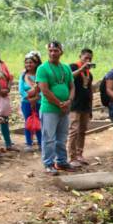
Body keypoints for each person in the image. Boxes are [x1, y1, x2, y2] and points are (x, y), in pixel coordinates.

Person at [36, 41, 75, 175]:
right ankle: (48, 163)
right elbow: (45, 90)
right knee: (49, 138)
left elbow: (72, 86)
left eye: (56, 50)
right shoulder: (42, 68)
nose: (53, 53)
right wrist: (60, 104)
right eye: (51, 50)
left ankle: (62, 161)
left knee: (62, 137)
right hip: (49, 109)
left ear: (61, 52)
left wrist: (69, 100)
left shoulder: (66, 68)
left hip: (65, 108)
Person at [68, 48, 94, 167]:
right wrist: (81, 69)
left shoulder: (90, 74)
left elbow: (90, 91)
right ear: (80, 56)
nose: (87, 60)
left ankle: (79, 154)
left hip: (85, 106)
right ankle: (72, 156)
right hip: (75, 105)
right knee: (73, 130)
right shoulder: (73, 67)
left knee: (82, 131)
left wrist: (91, 108)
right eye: (85, 58)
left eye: (90, 59)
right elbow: (69, 77)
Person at [19, 51, 42, 152]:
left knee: (39, 122)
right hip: (26, 103)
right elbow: (21, 90)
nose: (28, 64)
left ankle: (41, 143)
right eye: (27, 62)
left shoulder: (40, 75)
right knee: (28, 122)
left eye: (31, 62)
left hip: (39, 102)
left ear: (36, 63)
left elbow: (44, 88)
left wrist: (37, 98)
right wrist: (29, 98)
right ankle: (29, 143)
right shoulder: (23, 76)